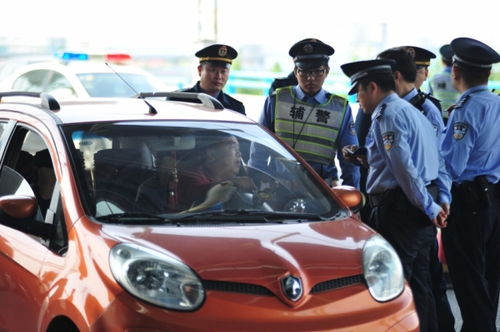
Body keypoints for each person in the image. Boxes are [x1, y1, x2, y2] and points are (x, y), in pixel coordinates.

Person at [340, 59, 451, 332]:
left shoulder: (387, 114)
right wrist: (440, 202)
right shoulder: (416, 112)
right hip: (420, 212)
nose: (359, 102)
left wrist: (428, 206)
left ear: (373, 87)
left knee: (397, 289)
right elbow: (438, 161)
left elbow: (405, 170)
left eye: (359, 93)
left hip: (402, 213)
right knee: (422, 289)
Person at [440, 37, 500, 332]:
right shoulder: (496, 103)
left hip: (467, 205)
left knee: (469, 285)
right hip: (493, 202)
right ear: (488, 74)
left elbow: (452, 165)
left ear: (455, 72)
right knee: (488, 284)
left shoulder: (466, 109)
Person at [249, 38, 360, 188]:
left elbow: (349, 159)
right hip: (279, 189)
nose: (311, 78)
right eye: (304, 72)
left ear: (327, 71)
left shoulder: (339, 108)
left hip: (321, 191)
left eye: (317, 72)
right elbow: (259, 148)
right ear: (295, 72)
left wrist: (352, 195)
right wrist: (256, 183)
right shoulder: (276, 100)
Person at [178, 135, 256, 212]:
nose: (239, 153)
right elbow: (197, 193)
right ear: (211, 154)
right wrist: (231, 183)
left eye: (238, 148)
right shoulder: (191, 175)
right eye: (232, 147)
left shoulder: (240, 182)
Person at [168, 44, 246, 115]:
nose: (218, 76)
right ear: (200, 70)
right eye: (213, 70)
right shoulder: (177, 101)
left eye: (223, 71)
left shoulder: (236, 108)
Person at [429, 44, 461, 125]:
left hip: (437, 118)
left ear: (442, 61)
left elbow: (429, 99)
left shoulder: (433, 79)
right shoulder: (461, 79)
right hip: (457, 118)